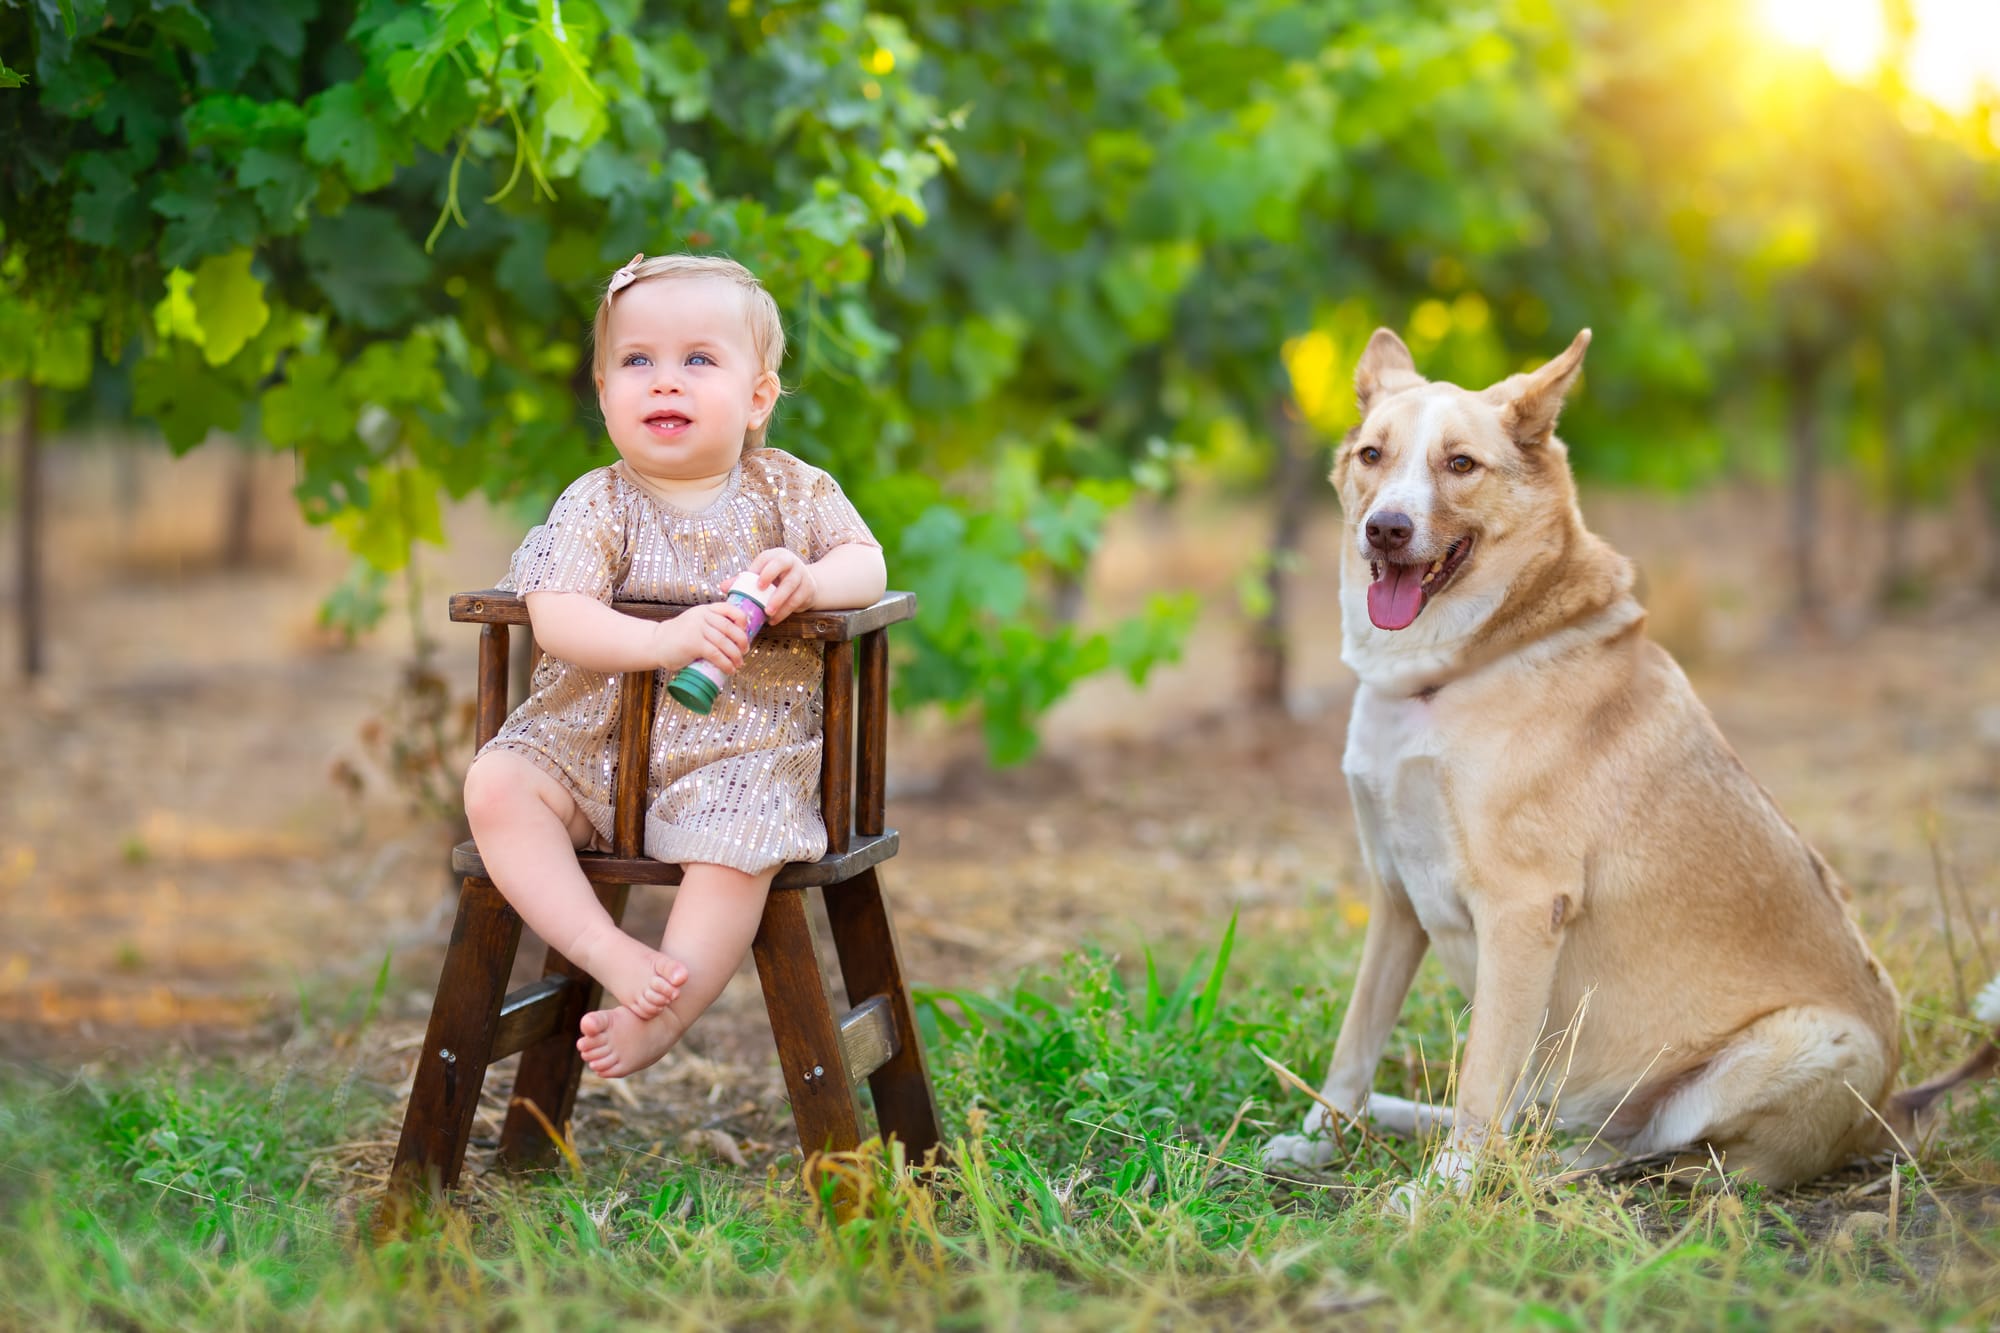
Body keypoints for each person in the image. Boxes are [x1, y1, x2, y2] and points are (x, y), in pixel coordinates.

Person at [461, 253, 886, 1079]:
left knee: (740, 849)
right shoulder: (597, 501)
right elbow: (556, 614)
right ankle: (604, 948)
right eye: (636, 360)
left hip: (736, 759)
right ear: (603, 392)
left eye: (697, 359)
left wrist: (810, 581)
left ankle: (664, 1013)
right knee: (495, 785)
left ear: (758, 397)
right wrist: (660, 642)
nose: (664, 381)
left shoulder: (789, 491)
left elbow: (867, 563)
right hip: (591, 748)